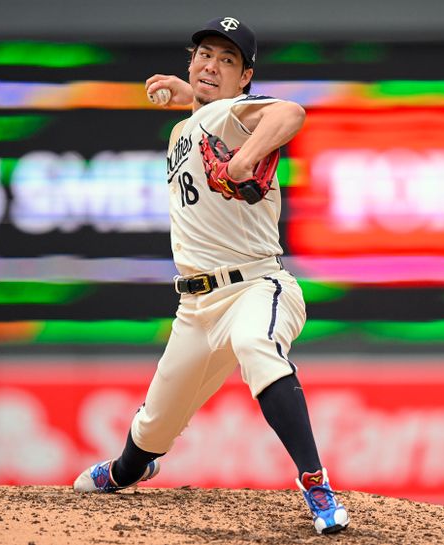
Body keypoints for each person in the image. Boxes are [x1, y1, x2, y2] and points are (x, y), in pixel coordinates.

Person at [72, 16, 350, 535]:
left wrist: (244, 159)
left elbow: (290, 111)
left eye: (229, 61)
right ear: (190, 60)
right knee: (150, 431)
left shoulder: (234, 113)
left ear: (246, 78)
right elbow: (211, 119)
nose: (212, 65)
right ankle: (130, 468)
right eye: (205, 55)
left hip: (255, 287)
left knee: (255, 345)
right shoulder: (192, 123)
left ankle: (316, 484)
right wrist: (190, 98)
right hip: (195, 310)